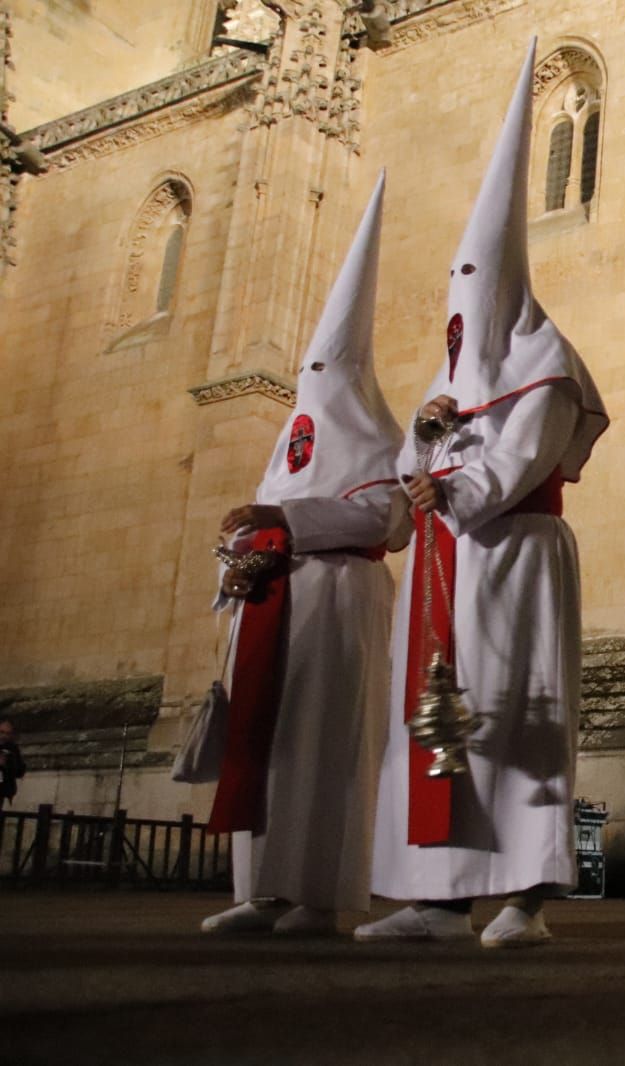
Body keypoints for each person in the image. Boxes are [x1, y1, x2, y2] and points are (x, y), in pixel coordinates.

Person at [356, 40, 609, 948]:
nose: (461, 320)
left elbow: (512, 470)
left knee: (514, 711)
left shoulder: (545, 370)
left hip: (516, 561)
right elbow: (402, 467)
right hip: (447, 566)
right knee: (439, 714)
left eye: (475, 296)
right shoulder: (450, 379)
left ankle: (525, 897)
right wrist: (422, 442)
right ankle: (432, 896)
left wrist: (443, 481)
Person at [200, 175, 405, 937]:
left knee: (325, 744)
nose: (311, 389)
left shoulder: (375, 438)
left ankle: (320, 896)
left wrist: (282, 516)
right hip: (275, 607)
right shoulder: (290, 444)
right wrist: (238, 554)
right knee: (272, 741)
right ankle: (262, 890)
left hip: (339, 602)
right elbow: (259, 512)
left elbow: (386, 518)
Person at [0, 719, 25, 808]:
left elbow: (20, 771)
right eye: (2, 732)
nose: (4, 736)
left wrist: (8, 764)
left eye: (8, 733)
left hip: (4, 792)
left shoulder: (13, 748)